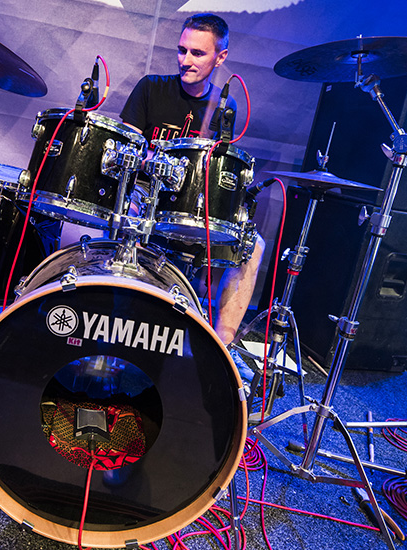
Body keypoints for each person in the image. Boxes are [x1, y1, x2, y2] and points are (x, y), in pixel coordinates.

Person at [120, 13, 265, 348]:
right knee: (129, 214)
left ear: (220, 57)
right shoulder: (151, 87)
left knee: (253, 245)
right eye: (182, 50)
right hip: (144, 191)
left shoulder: (224, 107)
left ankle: (222, 347)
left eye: (197, 53)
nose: (186, 60)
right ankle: (124, 320)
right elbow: (128, 146)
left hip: (188, 203)